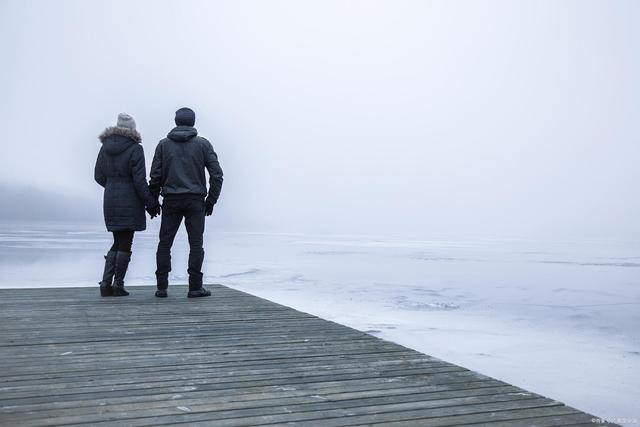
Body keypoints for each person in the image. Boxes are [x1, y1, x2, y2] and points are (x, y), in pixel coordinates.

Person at [149, 107, 223, 298]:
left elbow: (155, 176)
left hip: (171, 200)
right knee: (196, 244)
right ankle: (195, 287)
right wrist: (211, 201)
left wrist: (153, 201)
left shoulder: (163, 145)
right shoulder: (203, 144)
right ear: (193, 121)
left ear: (176, 121)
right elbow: (217, 175)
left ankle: (161, 287)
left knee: (165, 243)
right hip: (195, 201)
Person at [94, 113, 161, 297]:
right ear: (132, 129)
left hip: (110, 199)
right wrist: (151, 204)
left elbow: (98, 176)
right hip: (130, 199)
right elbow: (139, 181)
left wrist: (112, 186)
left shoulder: (104, 148)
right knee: (125, 242)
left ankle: (106, 283)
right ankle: (118, 284)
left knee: (117, 240)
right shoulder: (135, 149)